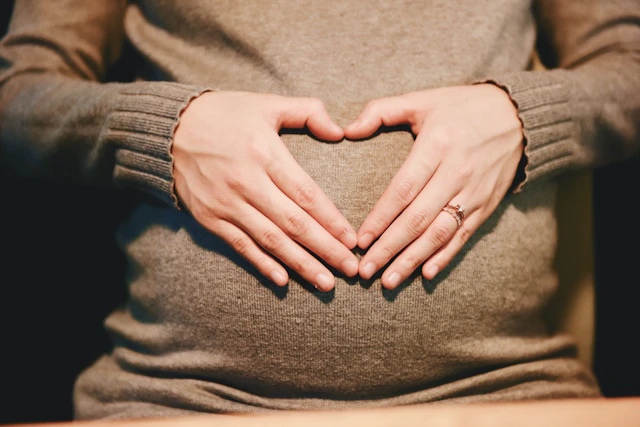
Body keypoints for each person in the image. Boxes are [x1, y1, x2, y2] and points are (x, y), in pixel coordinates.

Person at [1, 0, 638, 420]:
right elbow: (17, 97)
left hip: (504, 395)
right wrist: (160, 130)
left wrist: (523, 117)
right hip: (181, 400)